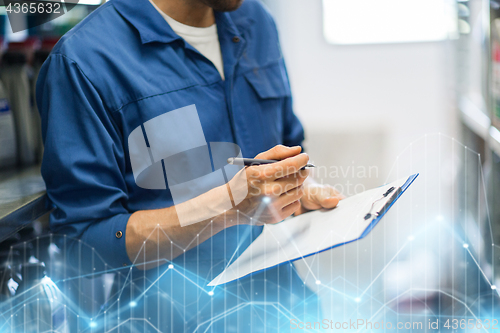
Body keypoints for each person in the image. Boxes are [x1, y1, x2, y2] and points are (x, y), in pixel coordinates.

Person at [36, 0, 343, 330]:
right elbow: (87, 242)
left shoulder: (256, 22)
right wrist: (227, 207)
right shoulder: (85, 60)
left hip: (284, 311)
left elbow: (286, 144)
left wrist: (296, 193)